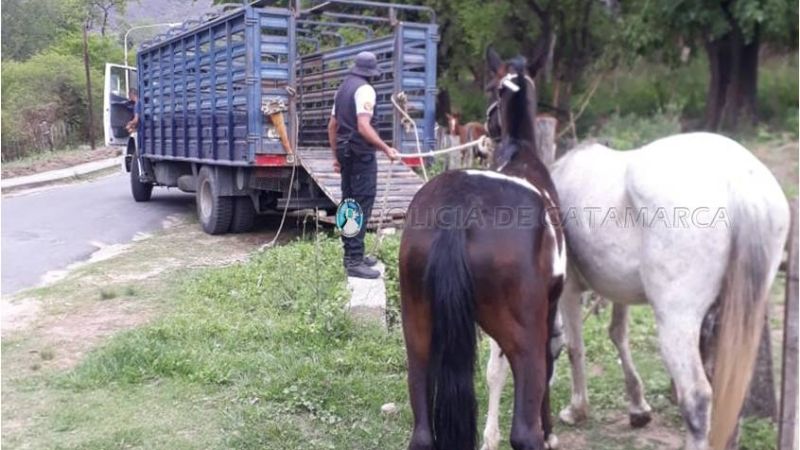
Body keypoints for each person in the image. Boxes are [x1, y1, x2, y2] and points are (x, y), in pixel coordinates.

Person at [327, 51, 400, 279]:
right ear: (371, 72)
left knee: (349, 204)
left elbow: (332, 126)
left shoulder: (342, 90)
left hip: (346, 154)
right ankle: (354, 261)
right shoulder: (366, 90)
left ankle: (352, 255)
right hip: (361, 155)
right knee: (361, 205)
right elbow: (363, 126)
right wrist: (386, 148)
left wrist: (336, 157)